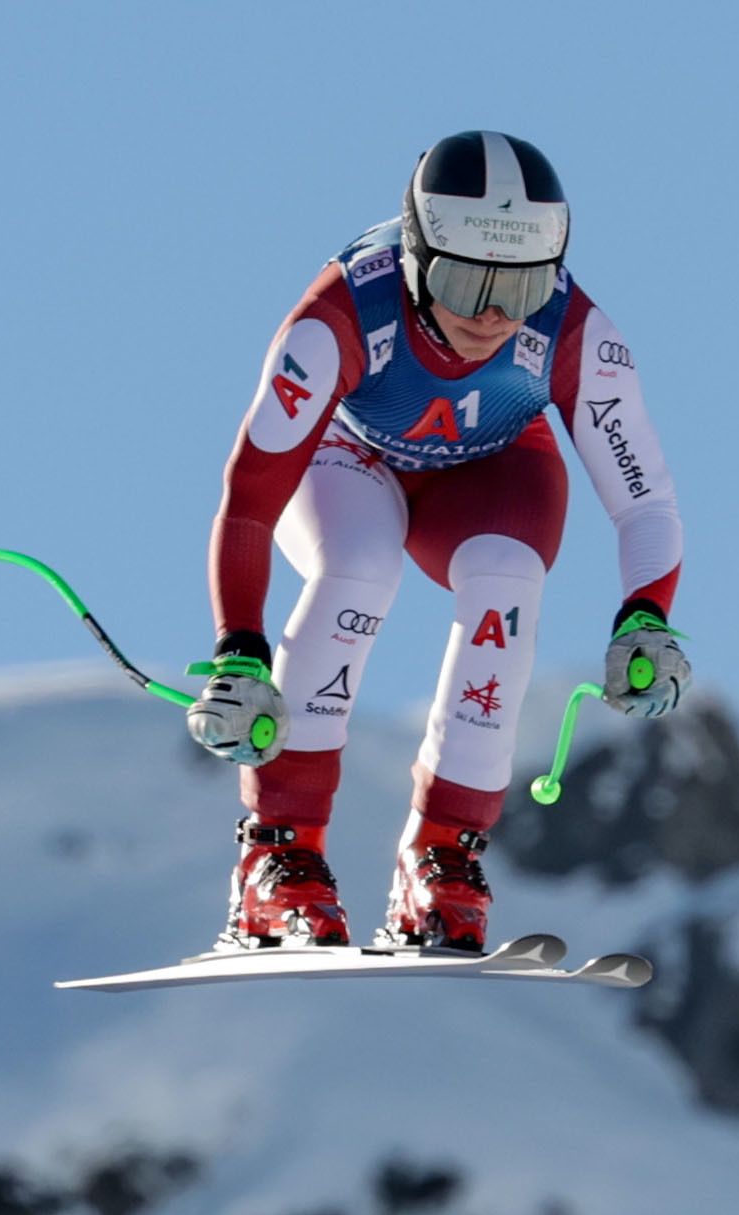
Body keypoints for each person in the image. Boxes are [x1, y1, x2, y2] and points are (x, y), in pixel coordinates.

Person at [183, 130, 690, 953]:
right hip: (348, 456)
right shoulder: (339, 315)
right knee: (359, 567)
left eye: (521, 287)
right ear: (418, 257)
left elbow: (645, 501)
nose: (492, 312)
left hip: (490, 462)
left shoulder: (572, 332)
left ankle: (444, 857)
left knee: (508, 578)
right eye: (464, 281)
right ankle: (279, 857)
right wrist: (239, 650)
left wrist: (646, 619)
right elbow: (249, 498)